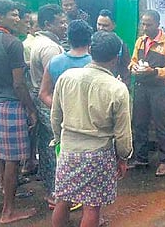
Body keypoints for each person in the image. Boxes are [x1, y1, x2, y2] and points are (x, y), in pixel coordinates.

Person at [50, 31, 132, 227]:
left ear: (90, 50)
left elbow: (55, 116)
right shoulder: (117, 88)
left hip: (69, 150)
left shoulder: (66, 77)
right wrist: (123, 157)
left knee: (63, 199)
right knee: (92, 206)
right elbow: (123, 133)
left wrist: (58, 140)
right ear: (116, 57)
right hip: (98, 153)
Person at [0, 0, 37, 223]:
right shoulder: (13, 43)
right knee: (12, 160)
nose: (17, 18)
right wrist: (30, 109)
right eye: (12, 14)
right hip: (11, 105)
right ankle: (8, 211)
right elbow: (18, 84)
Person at [128, 9, 165, 177]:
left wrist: (154, 71)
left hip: (158, 89)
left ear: (157, 24)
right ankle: (141, 158)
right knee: (139, 124)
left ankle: (164, 161)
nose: (144, 27)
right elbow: (133, 61)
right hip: (141, 86)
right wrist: (133, 67)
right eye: (143, 24)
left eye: (148, 24)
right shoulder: (141, 41)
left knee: (160, 125)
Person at [29, 3, 67, 207]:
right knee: (55, 143)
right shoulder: (50, 47)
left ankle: (47, 181)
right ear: (47, 24)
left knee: (45, 142)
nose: (64, 26)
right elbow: (54, 79)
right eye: (60, 23)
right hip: (49, 99)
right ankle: (55, 191)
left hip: (40, 96)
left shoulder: (40, 41)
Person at [39, 19, 92, 109]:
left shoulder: (54, 62)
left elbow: (43, 94)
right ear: (90, 40)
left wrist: (60, 111)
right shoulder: (96, 63)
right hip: (90, 119)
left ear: (68, 39)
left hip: (64, 120)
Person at [96, 9, 132, 89]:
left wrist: (123, 87)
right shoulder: (92, 42)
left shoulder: (120, 45)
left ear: (113, 25)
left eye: (105, 25)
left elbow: (126, 69)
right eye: (99, 24)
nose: (101, 28)